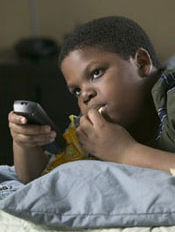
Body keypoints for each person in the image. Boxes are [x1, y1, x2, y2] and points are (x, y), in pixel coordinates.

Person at [8, 16, 175, 184]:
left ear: (142, 63)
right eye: (76, 91)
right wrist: (25, 144)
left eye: (96, 73)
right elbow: (35, 181)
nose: (85, 95)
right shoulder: (91, 131)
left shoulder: (171, 95)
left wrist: (125, 152)